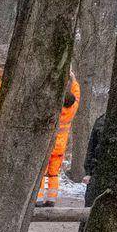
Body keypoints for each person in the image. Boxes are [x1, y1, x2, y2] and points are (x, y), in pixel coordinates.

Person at [66, 112, 108, 232]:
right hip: (96, 172)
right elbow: (91, 146)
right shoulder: (101, 119)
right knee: (89, 205)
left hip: (114, 175)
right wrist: (88, 171)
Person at [37, 78, 82, 207]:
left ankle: (38, 198)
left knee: (42, 172)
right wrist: (73, 81)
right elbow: (76, 96)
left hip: (49, 142)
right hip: (61, 145)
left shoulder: (55, 108)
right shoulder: (72, 108)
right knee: (54, 173)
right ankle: (51, 199)